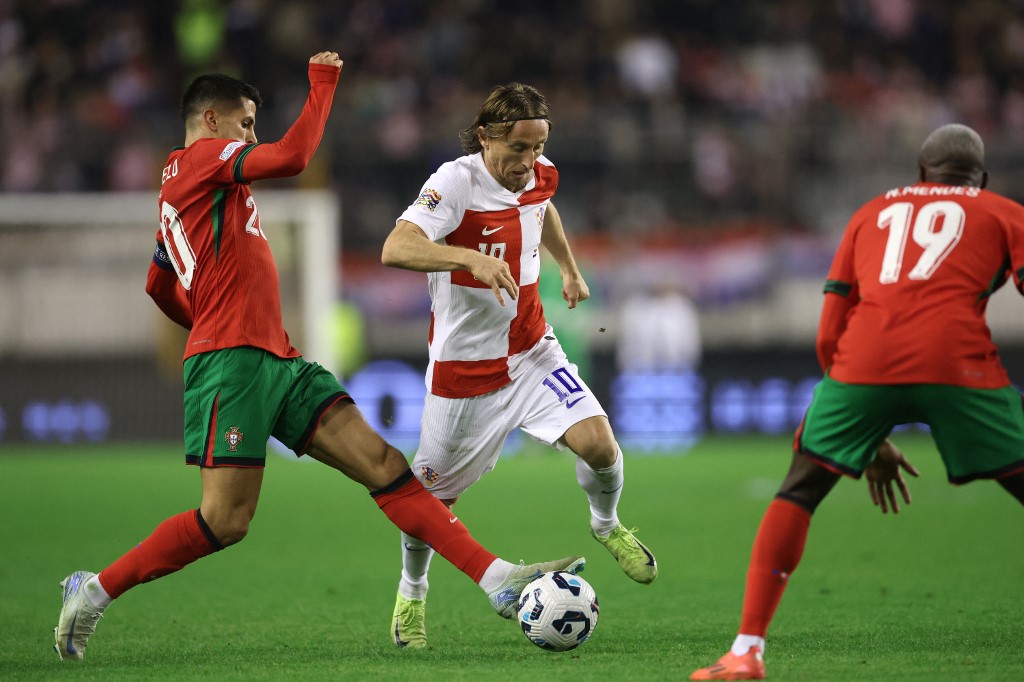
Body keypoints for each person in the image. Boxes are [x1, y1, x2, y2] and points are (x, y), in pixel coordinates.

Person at [53, 53, 584, 662]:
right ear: (210, 118)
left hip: (274, 357)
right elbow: (294, 156)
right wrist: (323, 83)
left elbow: (157, 282)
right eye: (246, 122)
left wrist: (205, 317)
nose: (252, 135)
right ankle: (92, 590)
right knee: (225, 522)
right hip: (234, 361)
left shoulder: (186, 191)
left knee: (384, 464)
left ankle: (497, 580)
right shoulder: (203, 158)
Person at [690, 123, 1024, 680]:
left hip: (866, 362)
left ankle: (746, 651)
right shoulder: (1003, 210)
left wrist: (865, 430)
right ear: (981, 178)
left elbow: (829, 330)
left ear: (919, 174)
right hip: (958, 362)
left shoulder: (871, 213)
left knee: (799, 488)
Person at [381, 82, 657, 649]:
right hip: (464, 373)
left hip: (532, 350)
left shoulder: (537, 173)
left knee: (601, 446)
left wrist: (569, 269)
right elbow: (396, 247)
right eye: (518, 149)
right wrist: (466, 257)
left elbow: (543, 209)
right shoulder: (454, 182)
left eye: (538, 148)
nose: (529, 163)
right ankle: (412, 594)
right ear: (485, 136)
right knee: (431, 506)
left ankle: (606, 524)